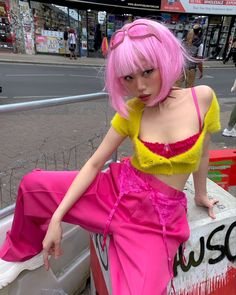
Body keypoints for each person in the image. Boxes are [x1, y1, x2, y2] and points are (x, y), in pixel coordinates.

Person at [0, 19, 221, 294]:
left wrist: (199, 194)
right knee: (32, 186)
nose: (139, 86)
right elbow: (94, 163)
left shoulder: (203, 99)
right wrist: (56, 218)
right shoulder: (131, 112)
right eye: (128, 77)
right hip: (115, 192)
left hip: (155, 221)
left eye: (148, 71)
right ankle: (24, 250)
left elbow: (203, 152)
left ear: (165, 61)